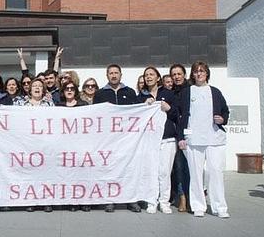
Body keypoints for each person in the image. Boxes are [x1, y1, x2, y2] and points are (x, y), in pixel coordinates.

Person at [176, 61, 230, 218]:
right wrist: (181, 137)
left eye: (202, 71)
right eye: (196, 71)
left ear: (207, 74)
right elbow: (181, 116)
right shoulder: (187, 92)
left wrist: (222, 119)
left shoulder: (215, 92)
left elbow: (225, 111)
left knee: (215, 173)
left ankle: (220, 207)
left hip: (214, 139)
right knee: (196, 174)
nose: (199, 74)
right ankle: (198, 206)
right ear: (192, 75)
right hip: (193, 140)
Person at [93, 64, 140, 213]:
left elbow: (138, 112)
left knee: (129, 169)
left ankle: (131, 200)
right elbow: (96, 116)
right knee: (110, 169)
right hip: (108, 139)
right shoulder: (100, 94)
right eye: (111, 73)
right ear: (107, 76)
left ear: (121, 75)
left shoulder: (130, 92)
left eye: (116, 73)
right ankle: (110, 200)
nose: (113, 75)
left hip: (128, 139)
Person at [137, 67, 178, 214]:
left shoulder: (168, 94)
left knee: (165, 172)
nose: (148, 77)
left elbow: (177, 115)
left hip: (167, 139)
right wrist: (143, 105)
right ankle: (151, 200)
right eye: (146, 75)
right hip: (149, 140)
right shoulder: (140, 96)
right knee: (151, 171)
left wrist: (169, 109)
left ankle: (164, 201)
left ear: (158, 77)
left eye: (151, 75)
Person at [14, 78, 55, 212]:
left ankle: (46, 201)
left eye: (39, 86)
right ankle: (31, 201)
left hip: (44, 145)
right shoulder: (21, 104)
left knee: (45, 174)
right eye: (34, 86)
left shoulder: (49, 104)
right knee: (30, 174)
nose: (37, 88)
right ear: (30, 89)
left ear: (43, 89)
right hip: (27, 145)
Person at [56, 79, 90, 212]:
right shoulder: (58, 107)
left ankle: (85, 200)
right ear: (63, 92)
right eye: (66, 89)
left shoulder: (84, 105)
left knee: (82, 174)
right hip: (63, 147)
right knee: (68, 175)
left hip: (80, 145)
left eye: (72, 88)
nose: (69, 90)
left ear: (75, 91)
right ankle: (72, 201)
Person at [169, 63, 190, 212]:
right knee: (179, 167)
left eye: (179, 74)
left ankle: (194, 196)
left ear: (184, 75)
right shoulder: (170, 93)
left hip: (193, 133)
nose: (176, 77)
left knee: (193, 167)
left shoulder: (192, 90)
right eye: (174, 74)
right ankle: (182, 197)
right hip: (178, 134)